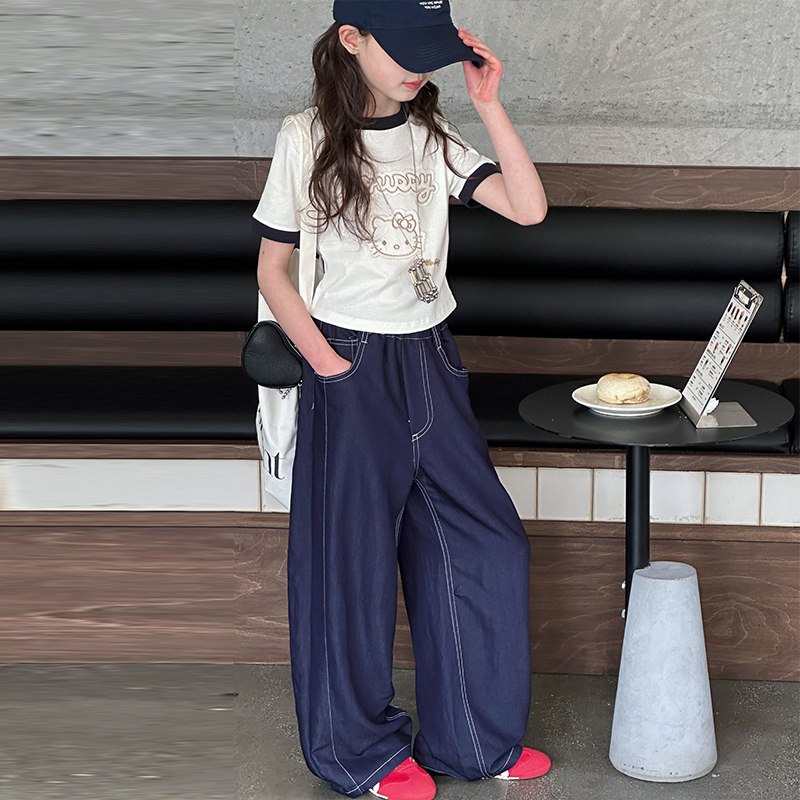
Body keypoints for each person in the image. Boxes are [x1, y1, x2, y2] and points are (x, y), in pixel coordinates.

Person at [253, 2, 550, 798]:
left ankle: (474, 741)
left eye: (432, 49)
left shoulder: (433, 134)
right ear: (351, 39)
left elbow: (528, 208)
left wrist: (490, 104)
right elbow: (273, 271)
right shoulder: (303, 137)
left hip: (432, 357)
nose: (422, 66)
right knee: (348, 566)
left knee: (481, 543)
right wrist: (329, 367)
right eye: (406, 48)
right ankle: (361, 755)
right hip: (348, 360)